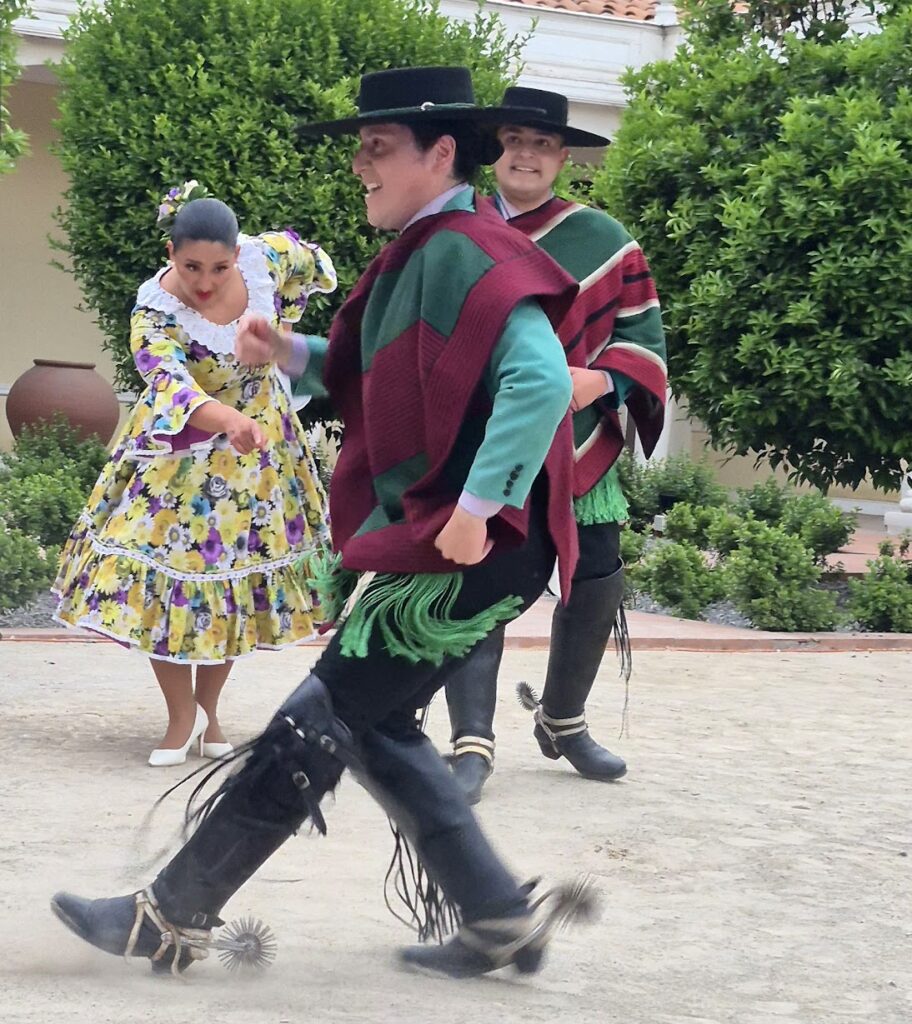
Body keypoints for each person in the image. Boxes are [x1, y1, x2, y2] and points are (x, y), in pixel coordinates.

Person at [51, 66, 594, 979]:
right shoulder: (429, 248)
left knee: (318, 719)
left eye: (377, 148)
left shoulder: (468, 248)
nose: (359, 166)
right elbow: (363, 371)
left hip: (473, 550)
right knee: (372, 727)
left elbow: (540, 381)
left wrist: (475, 509)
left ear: (442, 153)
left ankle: (171, 914)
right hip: (468, 549)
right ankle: (500, 916)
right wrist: (287, 350)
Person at [52, 183, 337, 766]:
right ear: (170, 252)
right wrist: (225, 416)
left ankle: (209, 713)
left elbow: (317, 268)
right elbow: (168, 384)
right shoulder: (154, 310)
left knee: (229, 587)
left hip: (260, 457)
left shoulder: (268, 260)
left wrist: (285, 339)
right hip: (179, 453)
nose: (205, 281)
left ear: (238, 254)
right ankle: (180, 715)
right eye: (191, 266)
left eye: (219, 266)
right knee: (171, 586)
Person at [445, 87, 668, 804]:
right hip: (484, 437)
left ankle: (563, 719)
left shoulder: (606, 240)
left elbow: (641, 338)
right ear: (494, 149)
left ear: (564, 157)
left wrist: (598, 382)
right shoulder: (457, 228)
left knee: (598, 568)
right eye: (514, 139)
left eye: (542, 144)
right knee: (478, 570)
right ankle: (470, 742)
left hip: (577, 435)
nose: (527, 154)